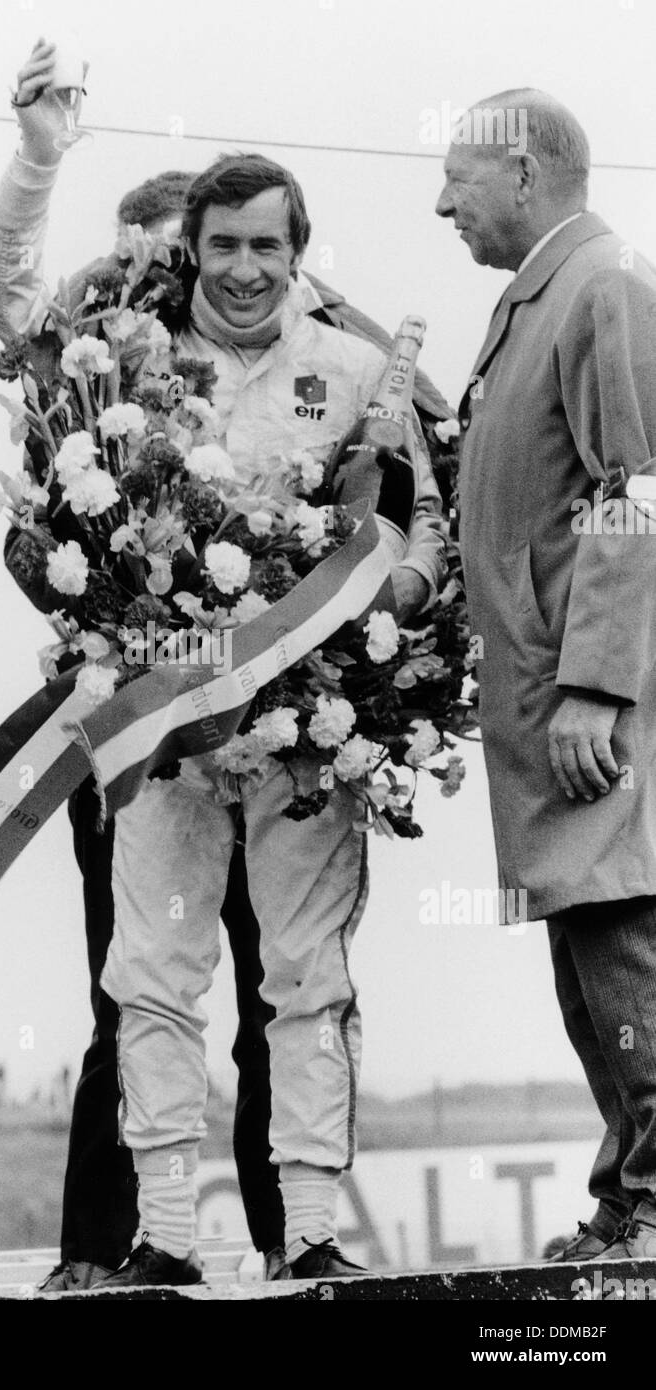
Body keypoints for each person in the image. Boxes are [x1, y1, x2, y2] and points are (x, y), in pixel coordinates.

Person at [0, 39, 449, 1287]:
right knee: (153, 977)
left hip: (307, 732)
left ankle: (314, 1229)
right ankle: (166, 1234)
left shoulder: (357, 370)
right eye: (223, 245)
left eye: (268, 249)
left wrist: (393, 589)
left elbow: (423, 526)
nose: (245, 270)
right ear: (192, 247)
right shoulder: (120, 352)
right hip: (167, 736)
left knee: (306, 980)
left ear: (300, 254)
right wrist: (36, 157)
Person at [437, 88, 656, 1263]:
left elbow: (642, 492)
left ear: (519, 171)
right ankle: (631, 1193)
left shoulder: (604, 284)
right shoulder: (541, 299)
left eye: (456, 181)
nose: (440, 203)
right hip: (543, 698)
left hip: (588, 705)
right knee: (589, 949)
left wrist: (599, 686)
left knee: (623, 930)